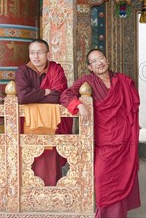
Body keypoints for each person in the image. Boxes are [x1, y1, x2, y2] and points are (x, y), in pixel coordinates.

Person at [60, 49, 140, 218]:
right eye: (94, 61)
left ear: (107, 60)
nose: (100, 62)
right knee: (103, 179)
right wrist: (78, 105)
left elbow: (132, 108)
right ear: (90, 67)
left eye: (101, 58)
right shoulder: (87, 81)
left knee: (122, 178)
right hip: (103, 140)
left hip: (124, 139)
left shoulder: (122, 80)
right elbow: (65, 94)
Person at [15, 39, 72, 186]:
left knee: (50, 163)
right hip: (28, 125)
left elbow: (57, 96)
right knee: (30, 159)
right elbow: (22, 97)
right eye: (32, 53)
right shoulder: (23, 70)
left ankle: (51, 192)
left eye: (40, 52)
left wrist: (33, 97)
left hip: (51, 124)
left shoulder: (56, 70)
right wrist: (45, 92)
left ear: (47, 53)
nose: (36, 56)